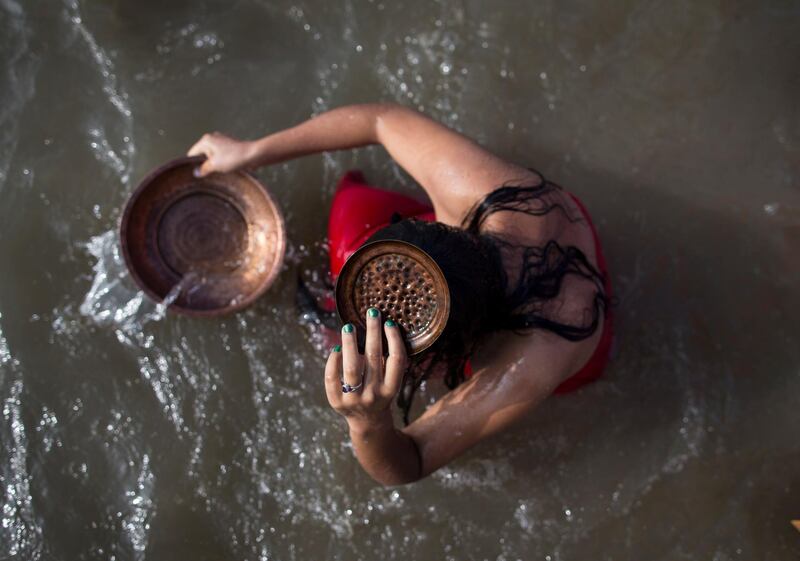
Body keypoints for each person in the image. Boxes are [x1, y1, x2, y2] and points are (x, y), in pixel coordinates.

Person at [187, 103, 613, 485]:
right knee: (351, 235)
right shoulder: (474, 189)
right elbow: (379, 119)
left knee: (345, 326)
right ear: (437, 229)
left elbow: (410, 461)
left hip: (574, 326)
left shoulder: (528, 363)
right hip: (513, 240)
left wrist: (368, 422)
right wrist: (253, 150)